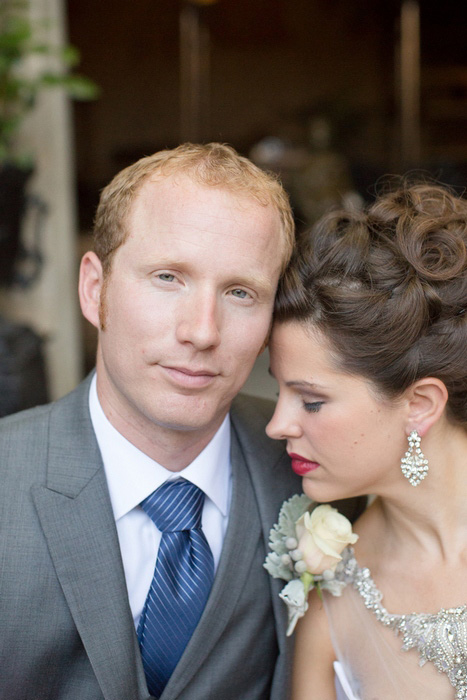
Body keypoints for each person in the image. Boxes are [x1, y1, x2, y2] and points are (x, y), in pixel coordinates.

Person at [0, 142, 307, 700]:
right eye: (168, 277)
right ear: (96, 291)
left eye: (241, 292)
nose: (202, 331)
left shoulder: (318, 474)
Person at [265, 182, 467, 699]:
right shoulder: (329, 595)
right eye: (279, 391)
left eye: (311, 401)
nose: (277, 425)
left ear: (419, 406)